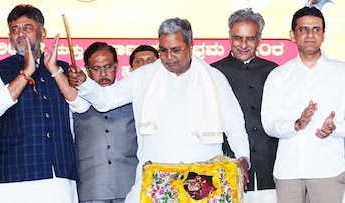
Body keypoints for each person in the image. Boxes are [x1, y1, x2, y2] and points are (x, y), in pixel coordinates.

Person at [68, 17, 250, 203]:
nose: (169, 57)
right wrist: (84, 83)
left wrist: (243, 157)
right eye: (163, 50)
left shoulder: (214, 78)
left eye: (176, 50)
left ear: (191, 45)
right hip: (155, 179)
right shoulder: (143, 76)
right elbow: (106, 100)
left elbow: (234, 123)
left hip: (201, 181)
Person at [0, 4, 78, 203]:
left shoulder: (63, 69)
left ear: (42, 33)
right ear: (9, 36)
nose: (20, 34)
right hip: (11, 179)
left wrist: (55, 71)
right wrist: (26, 72)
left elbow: (81, 106)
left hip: (58, 176)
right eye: (14, 29)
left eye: (27, 27)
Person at [261, 6, 345, 203]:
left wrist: (335, 128)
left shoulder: (341, 73)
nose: (310, 35)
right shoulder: (278, 76)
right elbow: (269, 124)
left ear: (324, 34)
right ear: (292, 34)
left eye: (316, 29)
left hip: (328, 169)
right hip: (289, 169)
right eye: (303, 29)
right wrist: (296, 125)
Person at [211, 8, 278, 202]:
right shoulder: (214, 73)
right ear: (229, 37)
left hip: (269, 168)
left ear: (259, 38)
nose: (243, 45)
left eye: (250, 38)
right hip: (226, 167)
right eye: (237, 38)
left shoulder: (274, 72)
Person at [73, 42, 138, 203]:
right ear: (87, 70)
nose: (103, 73)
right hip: (91, 186)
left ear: (117, 66)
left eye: (108, 67)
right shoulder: (75, 99)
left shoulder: (132, 96)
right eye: (96, 69)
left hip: (129, 185)